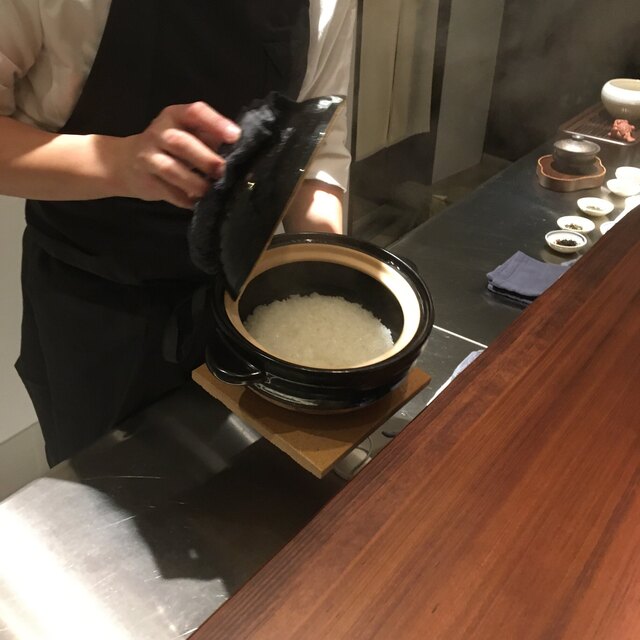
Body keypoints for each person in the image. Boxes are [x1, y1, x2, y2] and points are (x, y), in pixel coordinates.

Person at [0, 0, 356, 466]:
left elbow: (316, 139)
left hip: (244, 304)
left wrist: (328, 275)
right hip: (94, 312)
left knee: (250, 485)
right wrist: (121, 163)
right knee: (110, 484)